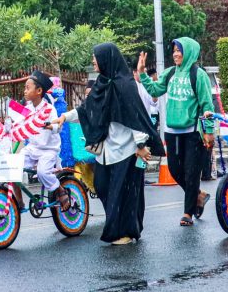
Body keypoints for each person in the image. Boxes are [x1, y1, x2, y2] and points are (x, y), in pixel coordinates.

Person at [56, 43, 160, 244]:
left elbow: (135, 115)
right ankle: (123, 228)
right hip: (106, 151)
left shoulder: (126, 85)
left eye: (96, 57)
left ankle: (124, 233)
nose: (93, 61)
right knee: (102, 186)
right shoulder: (101, 84)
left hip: (126, 150)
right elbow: (87, 109)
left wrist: (140, 146)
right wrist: (64, 118)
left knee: (124, 194)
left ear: (106, 59)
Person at [138, 38, 215, 227]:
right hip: (171, 130)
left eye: (179, 50)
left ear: (189, 52)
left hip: (192, 131)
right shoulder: (170, 72)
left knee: (191, 172)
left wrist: (209, 130)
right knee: (173, 168)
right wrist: (142, 73)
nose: (175, 54)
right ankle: (197, 195)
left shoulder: (199, 75)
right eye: (173, 51)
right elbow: (155, 89)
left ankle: (188, 212)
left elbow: (207, 104)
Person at [18, 71, 63, 210]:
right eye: (25, 88)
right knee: (13, 168)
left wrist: (50, 126)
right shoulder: (27, 109)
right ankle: (18, 202)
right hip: (32, 148)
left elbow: (58, 126)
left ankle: (60, 190)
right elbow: (18, 123)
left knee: (43, 172)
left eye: (27, 88)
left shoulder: (49, 109)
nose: (24, 91)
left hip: (48, 150)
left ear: (38, 91)